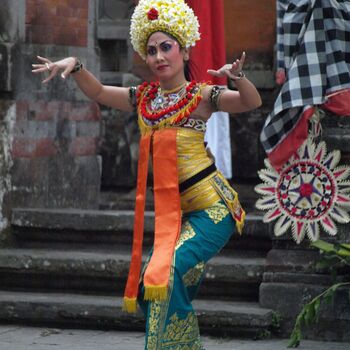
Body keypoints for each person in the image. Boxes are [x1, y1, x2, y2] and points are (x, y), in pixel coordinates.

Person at [32, 0, 261, 348]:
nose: (158, 57)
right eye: (151, 50)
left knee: (163, 277)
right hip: (176, 217)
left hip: (213, 210)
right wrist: (75, 66)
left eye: (166, 47)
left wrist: (239, 78)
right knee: (147, 287)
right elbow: (97, 92)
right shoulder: (144, 99)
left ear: (183, 51)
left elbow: (250, 103)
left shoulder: (200, 96)